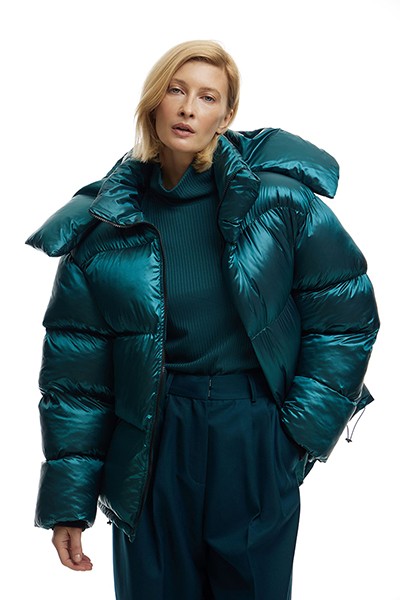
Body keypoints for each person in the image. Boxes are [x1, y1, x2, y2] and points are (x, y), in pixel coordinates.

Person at [26, 40, 379, 600]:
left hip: (253, 430)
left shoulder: (278, 203)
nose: (189, 108)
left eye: (208, 97)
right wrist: (69, 503)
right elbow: (78, 381)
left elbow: (346, 317)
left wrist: (295, 437)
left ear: (227, 114)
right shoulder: (106, 225)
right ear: (154, 101)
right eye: (176, 90)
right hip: (149, 438)